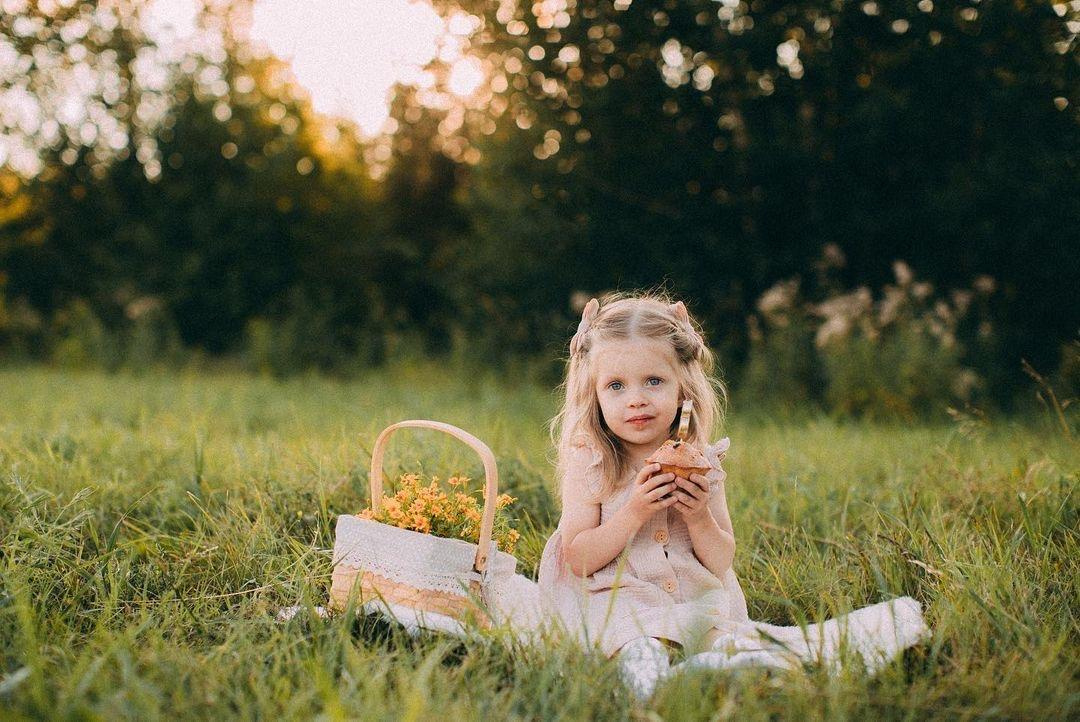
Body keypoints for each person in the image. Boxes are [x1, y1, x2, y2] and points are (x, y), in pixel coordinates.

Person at [536, 292, 929, 700]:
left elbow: (721, 560)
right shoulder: (593, 460)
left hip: (692, 599)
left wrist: (699, 516)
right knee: (639, 645)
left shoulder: (701, 461)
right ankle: (651, 689)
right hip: (615, 601)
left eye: (654, 381)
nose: (636, 398)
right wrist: (634, 511)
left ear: (682, 388)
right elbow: (578, 559)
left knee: (721, 639)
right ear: (594, 394)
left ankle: (721, 671)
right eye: (616, 385)